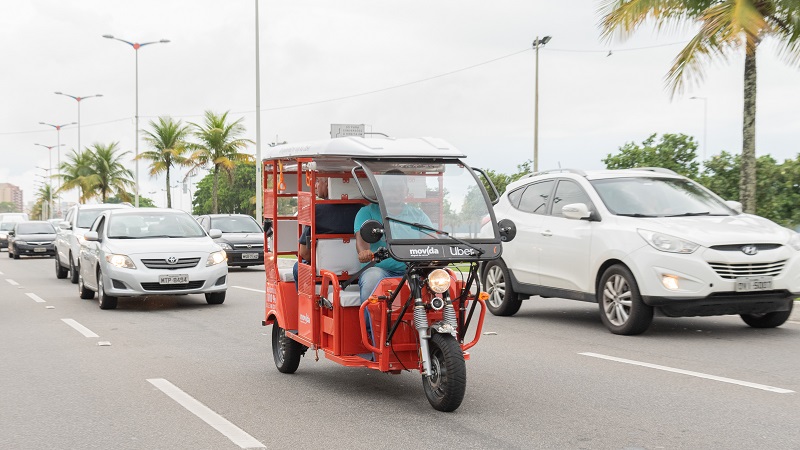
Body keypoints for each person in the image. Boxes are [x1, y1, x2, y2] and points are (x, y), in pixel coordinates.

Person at [354, 170, 433, 306]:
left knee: (445, 279)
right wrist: (364, 253)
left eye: (399, 188)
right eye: (390, 188)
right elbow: (362, 244)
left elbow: (432, 241)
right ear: (382, 190)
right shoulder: (367, 212)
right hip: (381, 269)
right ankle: (370, 327)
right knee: (371, 278)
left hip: (413, 269)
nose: (395, 192)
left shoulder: (418, 215)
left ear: (406, 190)